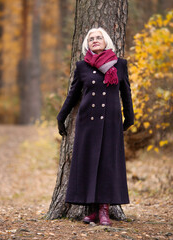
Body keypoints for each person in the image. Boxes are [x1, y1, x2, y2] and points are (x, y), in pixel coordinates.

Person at [57, 27, 134, 226]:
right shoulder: (82, 66)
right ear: (87, 44)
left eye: (99, 37)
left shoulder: (120, 64)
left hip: (110, 122)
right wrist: (61, 116)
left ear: (106, 41)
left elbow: (126, 93)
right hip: (88, 123)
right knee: (89, 164)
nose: (95, 40)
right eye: (91, 38)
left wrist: (130, 117)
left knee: (108, 164)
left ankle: (104, 211)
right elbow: (73, 94)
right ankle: (92, 210)